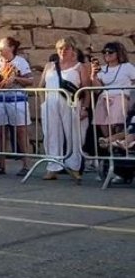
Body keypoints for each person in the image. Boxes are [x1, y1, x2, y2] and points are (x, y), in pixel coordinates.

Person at [41, 37, 90, 181]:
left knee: (73, 134)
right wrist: (43, 102)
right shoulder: (49, 66)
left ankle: (74, 167)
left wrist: (85, 108)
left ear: (72, 50)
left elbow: (86, 89)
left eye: (66, 48)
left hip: (71, 103)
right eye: (60, 49)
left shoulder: (79, 67)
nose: (63, 51)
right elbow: (41, 85)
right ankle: (53, 167)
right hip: (51, 102)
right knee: (51, 134)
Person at [0, 36, 34, 176]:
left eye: (2, 46)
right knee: (0, 132)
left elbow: (30, 80)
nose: (0, 48)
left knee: (21, 131)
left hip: (17, 99)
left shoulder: (20, 62)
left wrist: (15, 78)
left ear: (11, 48)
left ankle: (26, 165)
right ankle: (1, 165)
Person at [93, 41, 135, 139]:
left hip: (120, 96)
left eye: (110, 51)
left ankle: (114, 144)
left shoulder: (127, 67)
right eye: (105, 52)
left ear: (118, 53)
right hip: (104, 97)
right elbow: (97, 88)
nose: (107, 54)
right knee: (101, 121)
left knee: (116, 122)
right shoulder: (102, 69)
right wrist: (93, 76)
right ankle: (111, 145)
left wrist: (129, 91)